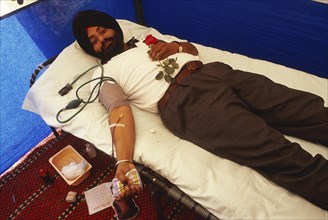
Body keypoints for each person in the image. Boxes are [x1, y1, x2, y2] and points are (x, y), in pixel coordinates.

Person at [72, 10, 328, 212]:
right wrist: (124, 161)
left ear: (113, 28)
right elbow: (118, 110)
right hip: (186, 102)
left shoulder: (143, 42)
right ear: (90, 50)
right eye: (93, 41)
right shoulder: (103, 74)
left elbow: (190, 49)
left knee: (303, 108)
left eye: (102, 31)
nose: (102, 39)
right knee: (274, 151)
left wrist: (176, 47)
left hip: (216, 72)